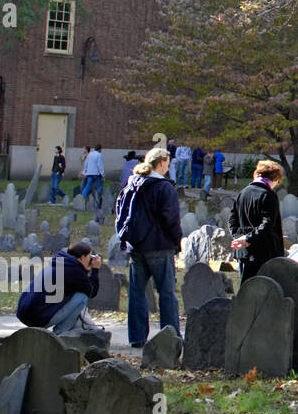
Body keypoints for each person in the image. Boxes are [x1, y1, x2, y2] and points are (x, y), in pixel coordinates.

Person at [115, 146, 182, 348]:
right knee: (167, 294)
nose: (168, 168)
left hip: (136, 246)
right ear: (160, 163)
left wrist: (126, 238)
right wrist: (176, 241)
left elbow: (120, 213)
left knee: (137, 293)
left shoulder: (131, 184)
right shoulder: (163, 187)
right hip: (160, 246)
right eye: (167, 165)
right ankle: (170, 337)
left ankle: (137, 337)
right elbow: (171, 218)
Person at [16, 241, 102, 335]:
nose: (91, 260)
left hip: (24, 314)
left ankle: (87, 328)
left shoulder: (60, 262)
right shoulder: (74, 270)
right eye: (90, 257)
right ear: (82, 257)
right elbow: (92, 291)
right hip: (37, 319)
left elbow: (82, 284)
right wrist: (95, 269)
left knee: (75, 299)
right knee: (82, 297)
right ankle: (60, 332)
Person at [229, 159, 286, 281]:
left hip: (244, 251)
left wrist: (239, 238)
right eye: (278, 182)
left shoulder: (242, 193)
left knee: (246, 291)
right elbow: (267, 224)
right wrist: (247, 239)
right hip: (264, 252)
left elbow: (232, 219)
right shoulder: (268, 195)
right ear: (274, 179)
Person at [81, 144, 105, 211]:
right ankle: (98, 198)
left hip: (89, 173)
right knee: (99, 186)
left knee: (88, 186)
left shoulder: (90, 154)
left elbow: (86, 163)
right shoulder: (99, 155)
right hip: (96, 173)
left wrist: (84, 171)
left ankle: (83, 198)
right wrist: (102, 174)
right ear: (100, 149)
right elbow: (100, 165)